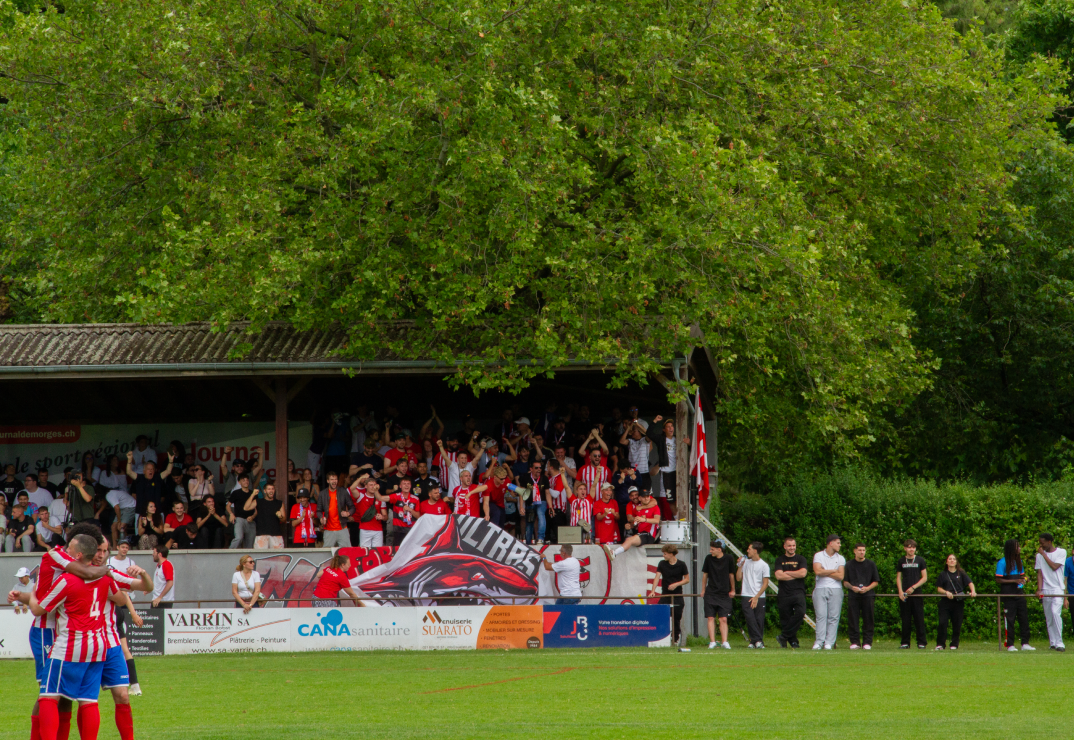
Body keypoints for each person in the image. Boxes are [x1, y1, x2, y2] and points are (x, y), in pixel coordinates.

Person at [29, 532, 112, 740]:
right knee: (68, 696)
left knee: (51, 695)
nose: (66, 551)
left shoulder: (69, 578)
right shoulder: (58, 556)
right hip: (64, 634)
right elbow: (127, 593)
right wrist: (107, 570)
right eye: (99, 552)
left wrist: (31, 595)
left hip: (64, 636)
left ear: (78, 552)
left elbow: (40, 606)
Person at [94, 535, 153, 737]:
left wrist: (143, 574)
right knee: (85, 700)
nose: (101, 555)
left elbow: (147, 587)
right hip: (85, 644)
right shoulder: (72, 574)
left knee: (123, 696)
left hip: (111, 644)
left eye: (104, 551)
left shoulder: (110, 574)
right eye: (97, 550)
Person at [106, 541, 143, 696]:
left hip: (111, 613)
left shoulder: (104, 575)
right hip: (117, 612)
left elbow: (125, 593)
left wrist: (133, 614)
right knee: (124, 649)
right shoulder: (111, 574)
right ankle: (134, 685)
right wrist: (133, 613)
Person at [996, 538, 1033, 651]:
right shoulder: (1002, 562)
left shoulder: (1019, 561)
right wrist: (1014, 581)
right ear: (1011, 548)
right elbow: (998, 580)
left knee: (1024, 618)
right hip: (1008, 596)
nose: (1019, 548)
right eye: (1017, 546)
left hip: (1019, 594)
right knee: (1010, 620)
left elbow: (1023, 576)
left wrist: (1024, 579)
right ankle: (1010, 644)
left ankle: (1025, 643)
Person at [773, 536, 809, 648]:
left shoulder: (801, 559)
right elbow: (779, 576)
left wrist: (787, 572)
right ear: (785, 546)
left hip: (798, 592)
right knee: (785, 618)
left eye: (793, 545)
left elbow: (803, 574)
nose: (792, 548)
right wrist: (795, 574)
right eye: (789, 545)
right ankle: (792, 642)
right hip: (784, 593)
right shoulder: (780, 560)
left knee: (800, 613)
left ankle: (783, 636)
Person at [843, 543, 880, 650]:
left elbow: (876, 581)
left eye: (863, 550)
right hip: (853, 596)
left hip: (868, 595)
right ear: (855, 551)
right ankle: (855, 642)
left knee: (868, 619)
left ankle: (867, 642)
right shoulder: (849, 565)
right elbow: (845, 582)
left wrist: (867, 588)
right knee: (853, 619)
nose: (862, 552)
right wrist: (852, 587)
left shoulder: (871, 564)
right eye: (859, 550)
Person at [935, 554, 976, 650]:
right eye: (950, 559)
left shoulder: (961, 573)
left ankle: (954, 644)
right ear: (947, 562)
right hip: (945, 602)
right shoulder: (943, 574)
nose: (952, 560)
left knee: (957, 623)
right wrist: (946, 592)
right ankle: (940, 644)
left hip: (958, 602)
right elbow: (939, 588)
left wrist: (973, 591)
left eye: (954, 559)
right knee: (942, 623)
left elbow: (970, 583)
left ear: (956, 562)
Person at [605, 489, 660, 558]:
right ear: (639, 498)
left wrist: (644, 519)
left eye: (648, 496)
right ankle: (614, 553)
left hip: (649, 534)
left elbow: (657, 520)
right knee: (628, 539)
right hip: (642, 533)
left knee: (630, 540)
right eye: (644, 497)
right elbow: (636, 524)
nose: (646, 498)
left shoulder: (655, 507)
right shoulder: (638, 510)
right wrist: (630, 526)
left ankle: (614, 553)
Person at [812, 534, 845, 650]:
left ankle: (829, 643)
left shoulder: (840, 558)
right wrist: (832, 571)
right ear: (831, 543)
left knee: (834, 617)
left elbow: (840, 575)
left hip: (836, 589)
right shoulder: (819, 555)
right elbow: (817, 571)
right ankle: (819, 642)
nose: (839, 545)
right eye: (838, 542)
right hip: (820, 588)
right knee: (821, 616)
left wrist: (824, 571)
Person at [1035, 533, 1067, 651]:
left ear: (1049, 542)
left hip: (1058, 588)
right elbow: (1039, 573)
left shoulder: (1061, 552)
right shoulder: (1039, 556)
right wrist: (1039, 589)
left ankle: (1060, 643)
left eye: (1042, 543)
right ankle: (1053, 642)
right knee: (1049, 617)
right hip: (1045, 589)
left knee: (1055, 613)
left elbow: (1054, 566)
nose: (1041, 545)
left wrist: (1043, 554)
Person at [653, 543, 690, 645]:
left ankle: (675, 639)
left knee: (676, 618)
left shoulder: (681, 564)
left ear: (671, 554)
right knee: (659, 615)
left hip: (677, 595)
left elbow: (687, 579)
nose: (663, 555)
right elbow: (657, 577)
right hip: (665, 595)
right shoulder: (662, 563)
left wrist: (676, 584)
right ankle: (660, 637)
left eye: (665, 554)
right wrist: (653, 591)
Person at [701, 541, 735, 649]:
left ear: (719, 549)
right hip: (710, 592)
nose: (710, 551)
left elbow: (731, 575)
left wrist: (733, 589)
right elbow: (705, 575)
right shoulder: (708, 558)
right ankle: (712, 641)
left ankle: (725, 641)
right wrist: (703, 590)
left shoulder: (729, 558)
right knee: (710, 617)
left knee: (723, 618)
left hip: (724, 593)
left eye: (712, 549)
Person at [896, 539, 928, 649]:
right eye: (909, 547)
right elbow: (898, 577)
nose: (911, 549)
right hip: (904, 594)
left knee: (919, 618)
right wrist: (900, 591)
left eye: (913, 547)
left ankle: (921, 643)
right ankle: (905, 643)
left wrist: (914, 587)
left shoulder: (920, 560)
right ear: (905, 548)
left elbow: (924, 578)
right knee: (905, 619)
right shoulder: (901, 561)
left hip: (917, 594)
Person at [737, 542, 770, 648]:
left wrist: (756, 597)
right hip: (746, 594)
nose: (747, 551)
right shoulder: (745, 563)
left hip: (759, 596)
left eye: (749, 549)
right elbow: (738, 578)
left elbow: (765, 583)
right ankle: (757, 641)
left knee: (759, 619)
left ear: (755, 551)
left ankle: (755, 641)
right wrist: (739, 566)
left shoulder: (764, 565)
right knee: (750, 618)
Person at [375, 477, 419, 546]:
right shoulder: (396, 496)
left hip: (411, 530)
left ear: (411, 486)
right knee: (397, 551)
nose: (406, 485)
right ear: (400, 486)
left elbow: (418, 516)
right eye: (404, 484)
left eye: (408, 484)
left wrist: (410, 509)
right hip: (398, 530)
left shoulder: (416, 499)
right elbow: (380, 498)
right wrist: (375, 490)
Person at [316, 471, 354, 548]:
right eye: (332, 479)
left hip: (342, 528)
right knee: (327, 554)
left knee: (346, 552)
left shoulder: (343, 492)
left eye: (336, 479)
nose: (334, 481)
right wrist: (321, 518)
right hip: (329, 529)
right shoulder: (322, 494)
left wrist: (348, 513)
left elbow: (352, 507)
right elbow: (318, 510)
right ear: (328, 481)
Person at [249, 483, 285, 549]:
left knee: (278, 558)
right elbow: (246, 508)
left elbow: (284, 520)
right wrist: (252, 494)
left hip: (276, 535)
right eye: (269, 489)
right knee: (260, 557)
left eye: (272, 489)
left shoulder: (279, 503)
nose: (271, 491)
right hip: (261, 535)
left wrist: (280, 517)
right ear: (265, 491)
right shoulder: (258, 501)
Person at [227, 473, 257, 549]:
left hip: (250, 521)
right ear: (239, 482)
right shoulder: (236, 493)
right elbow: (228, 506)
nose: (246, 482)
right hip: (239, 519)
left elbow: (257, 510)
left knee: (250, 543)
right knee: (238, 538)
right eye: (243, 480)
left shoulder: (252, 493)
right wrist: (231, 514)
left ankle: (247, 559)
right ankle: (229, 554)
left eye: (247, 480)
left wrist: (253, 516)